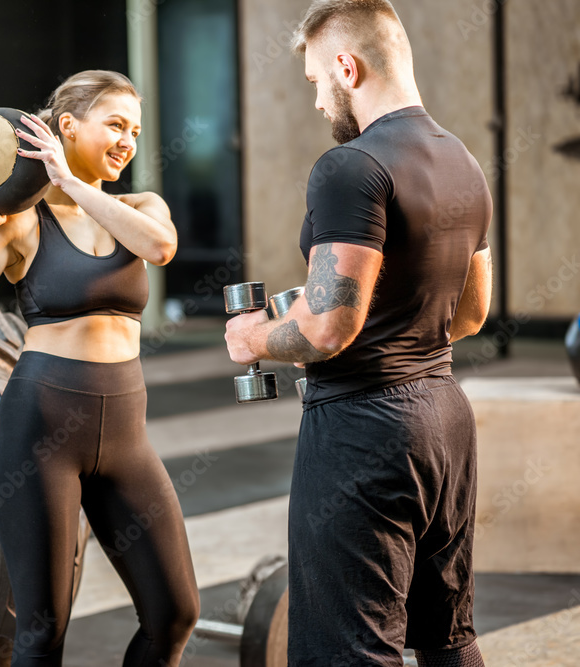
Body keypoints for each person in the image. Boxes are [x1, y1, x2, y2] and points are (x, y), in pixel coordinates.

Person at [224, 2, 492, 666]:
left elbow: (327, 327)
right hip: (445, 420)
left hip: (364, 433)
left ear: (348, 67)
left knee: (348, 652)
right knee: (447, 636)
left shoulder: (348, 167)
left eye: (317, 80)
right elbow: (470, 313)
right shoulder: (462, 161)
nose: (318, 100)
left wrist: (256, 338)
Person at [0, 70, 200, 667]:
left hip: (126, 434)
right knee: (41, 635)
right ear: (67, 126)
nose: (128, 140)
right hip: (41, 430)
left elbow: (160, 248)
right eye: (115, 125)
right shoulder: (25, 224)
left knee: (174, 613)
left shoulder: (139, 207)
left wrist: (71, 180)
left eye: (135, 129)